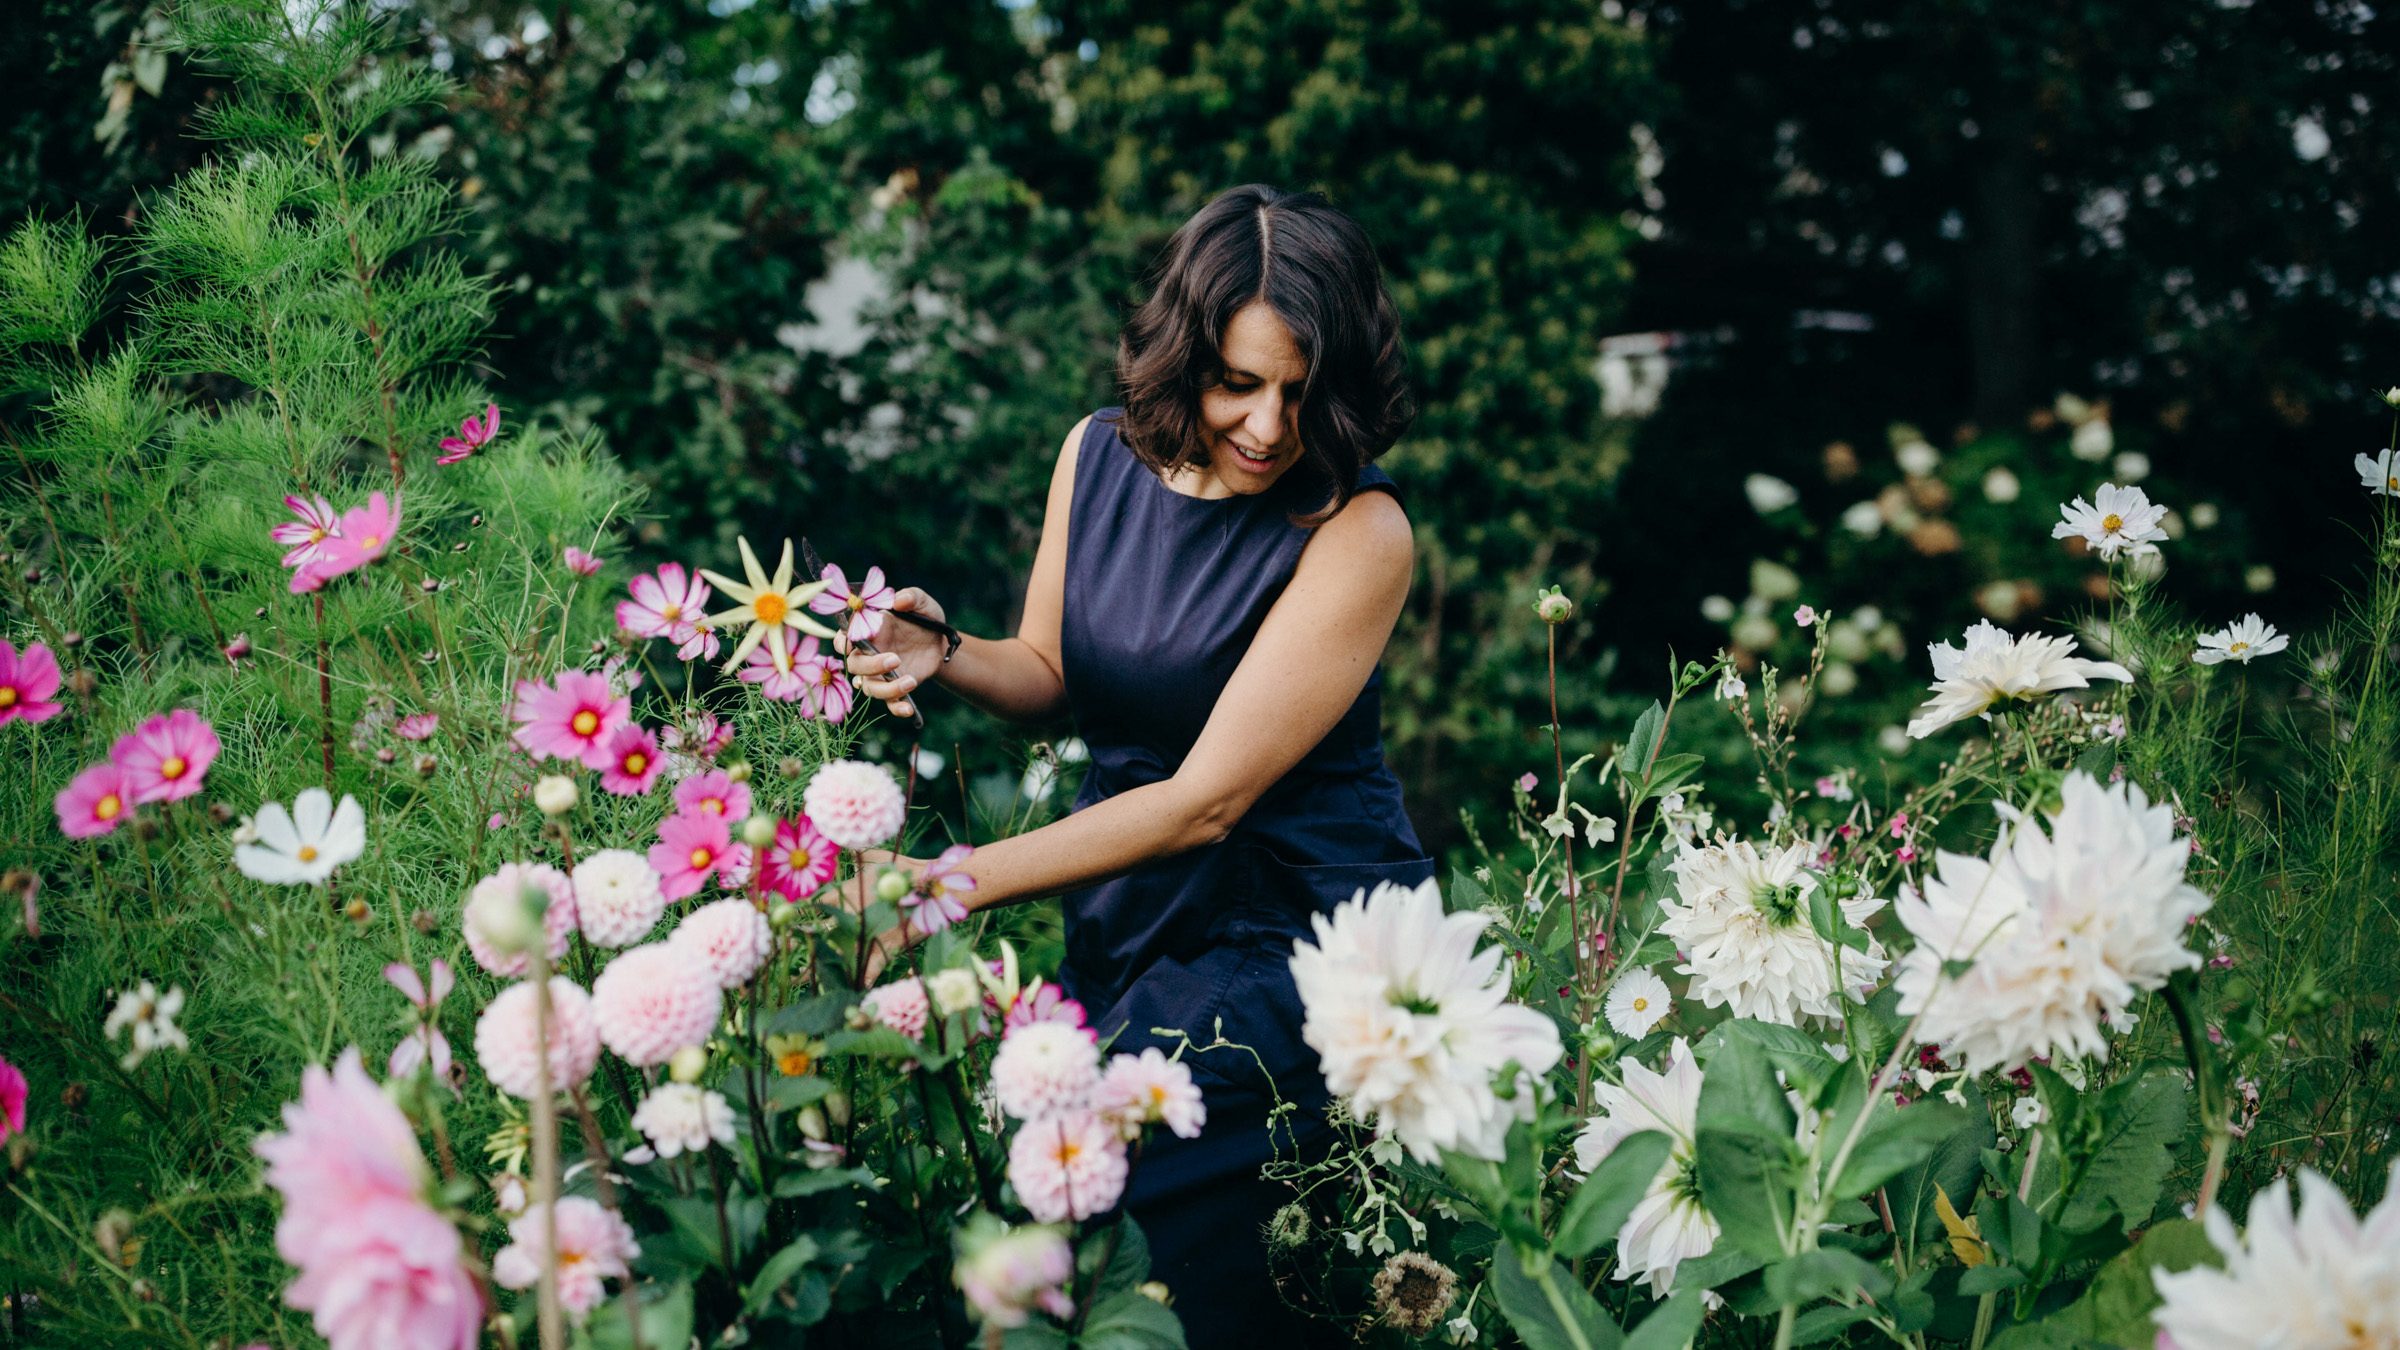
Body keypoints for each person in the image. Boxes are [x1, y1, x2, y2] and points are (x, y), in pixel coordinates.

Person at [839, 183, 1432, 1349]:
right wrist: (947, 653)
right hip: (1134, 919)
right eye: (1238, 383)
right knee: (1144, 1267)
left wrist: (933, 886)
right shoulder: (1095, 458)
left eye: (1301, 395)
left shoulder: (1361, 532)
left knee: (1105, 1226)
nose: (1268, 427)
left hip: (1293, 940)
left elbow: (1207, 802)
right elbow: (1055, 666)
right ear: (1181, 358)